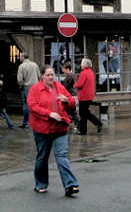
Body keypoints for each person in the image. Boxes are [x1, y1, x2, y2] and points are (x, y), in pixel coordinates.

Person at [27, 65, 79, 196]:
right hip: (42, 129)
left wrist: (67, 100)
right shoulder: (35, 89)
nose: (51, 77)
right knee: (42, 157)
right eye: (48, 75)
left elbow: (72, 101)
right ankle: (40, 183)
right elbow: (32, 106)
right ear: (42, 76)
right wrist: (49, 114)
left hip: (60, 127)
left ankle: (70, 184)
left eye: (52, 74)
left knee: (61, 155)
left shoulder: (59, 87)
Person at [74, 58, 103, 135]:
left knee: (83, 113)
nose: (81, 65)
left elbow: (80, 84)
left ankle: (86, 128)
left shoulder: (83, 73)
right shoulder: (91, 72)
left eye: (82, 64)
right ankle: (95, 124)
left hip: (84, 96)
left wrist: (75, 85)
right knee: (85, 112)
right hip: (89, 95)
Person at [16, 52, 41, 128]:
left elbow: (19, 79)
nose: (19, 58)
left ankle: (26, 122)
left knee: (27, 105)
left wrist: (21, 85)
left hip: (26, 87)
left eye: (20, 56)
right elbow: (39, 76)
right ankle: (36, 120)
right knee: (36, 104)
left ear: (23, 57)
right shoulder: (35, 65)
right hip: (36, 87)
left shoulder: (22, 66)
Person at [61, 61, 81, 130]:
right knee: (70, 110)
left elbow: (65, 86)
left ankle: (79, 125)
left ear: (67, 69)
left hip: (71, 95)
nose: (63, 71)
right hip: (75, 94)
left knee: (72, 111)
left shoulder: (69, 76)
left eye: (64, 69)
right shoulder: (74, 75)